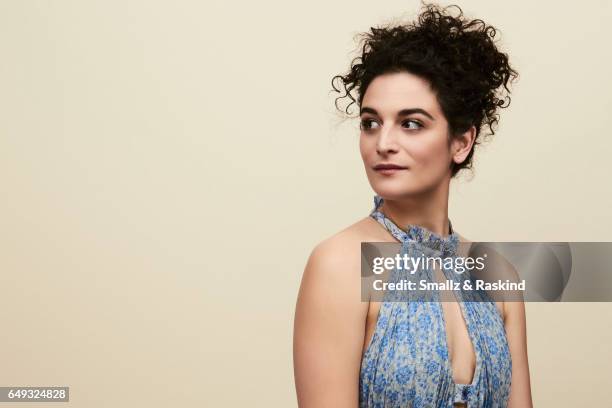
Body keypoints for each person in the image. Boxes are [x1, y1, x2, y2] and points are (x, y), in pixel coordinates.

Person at [293, 2, 532, 407]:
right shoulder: (340, 264)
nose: (383, 142)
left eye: (411, 123)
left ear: (461, 141)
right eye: (371, 122)